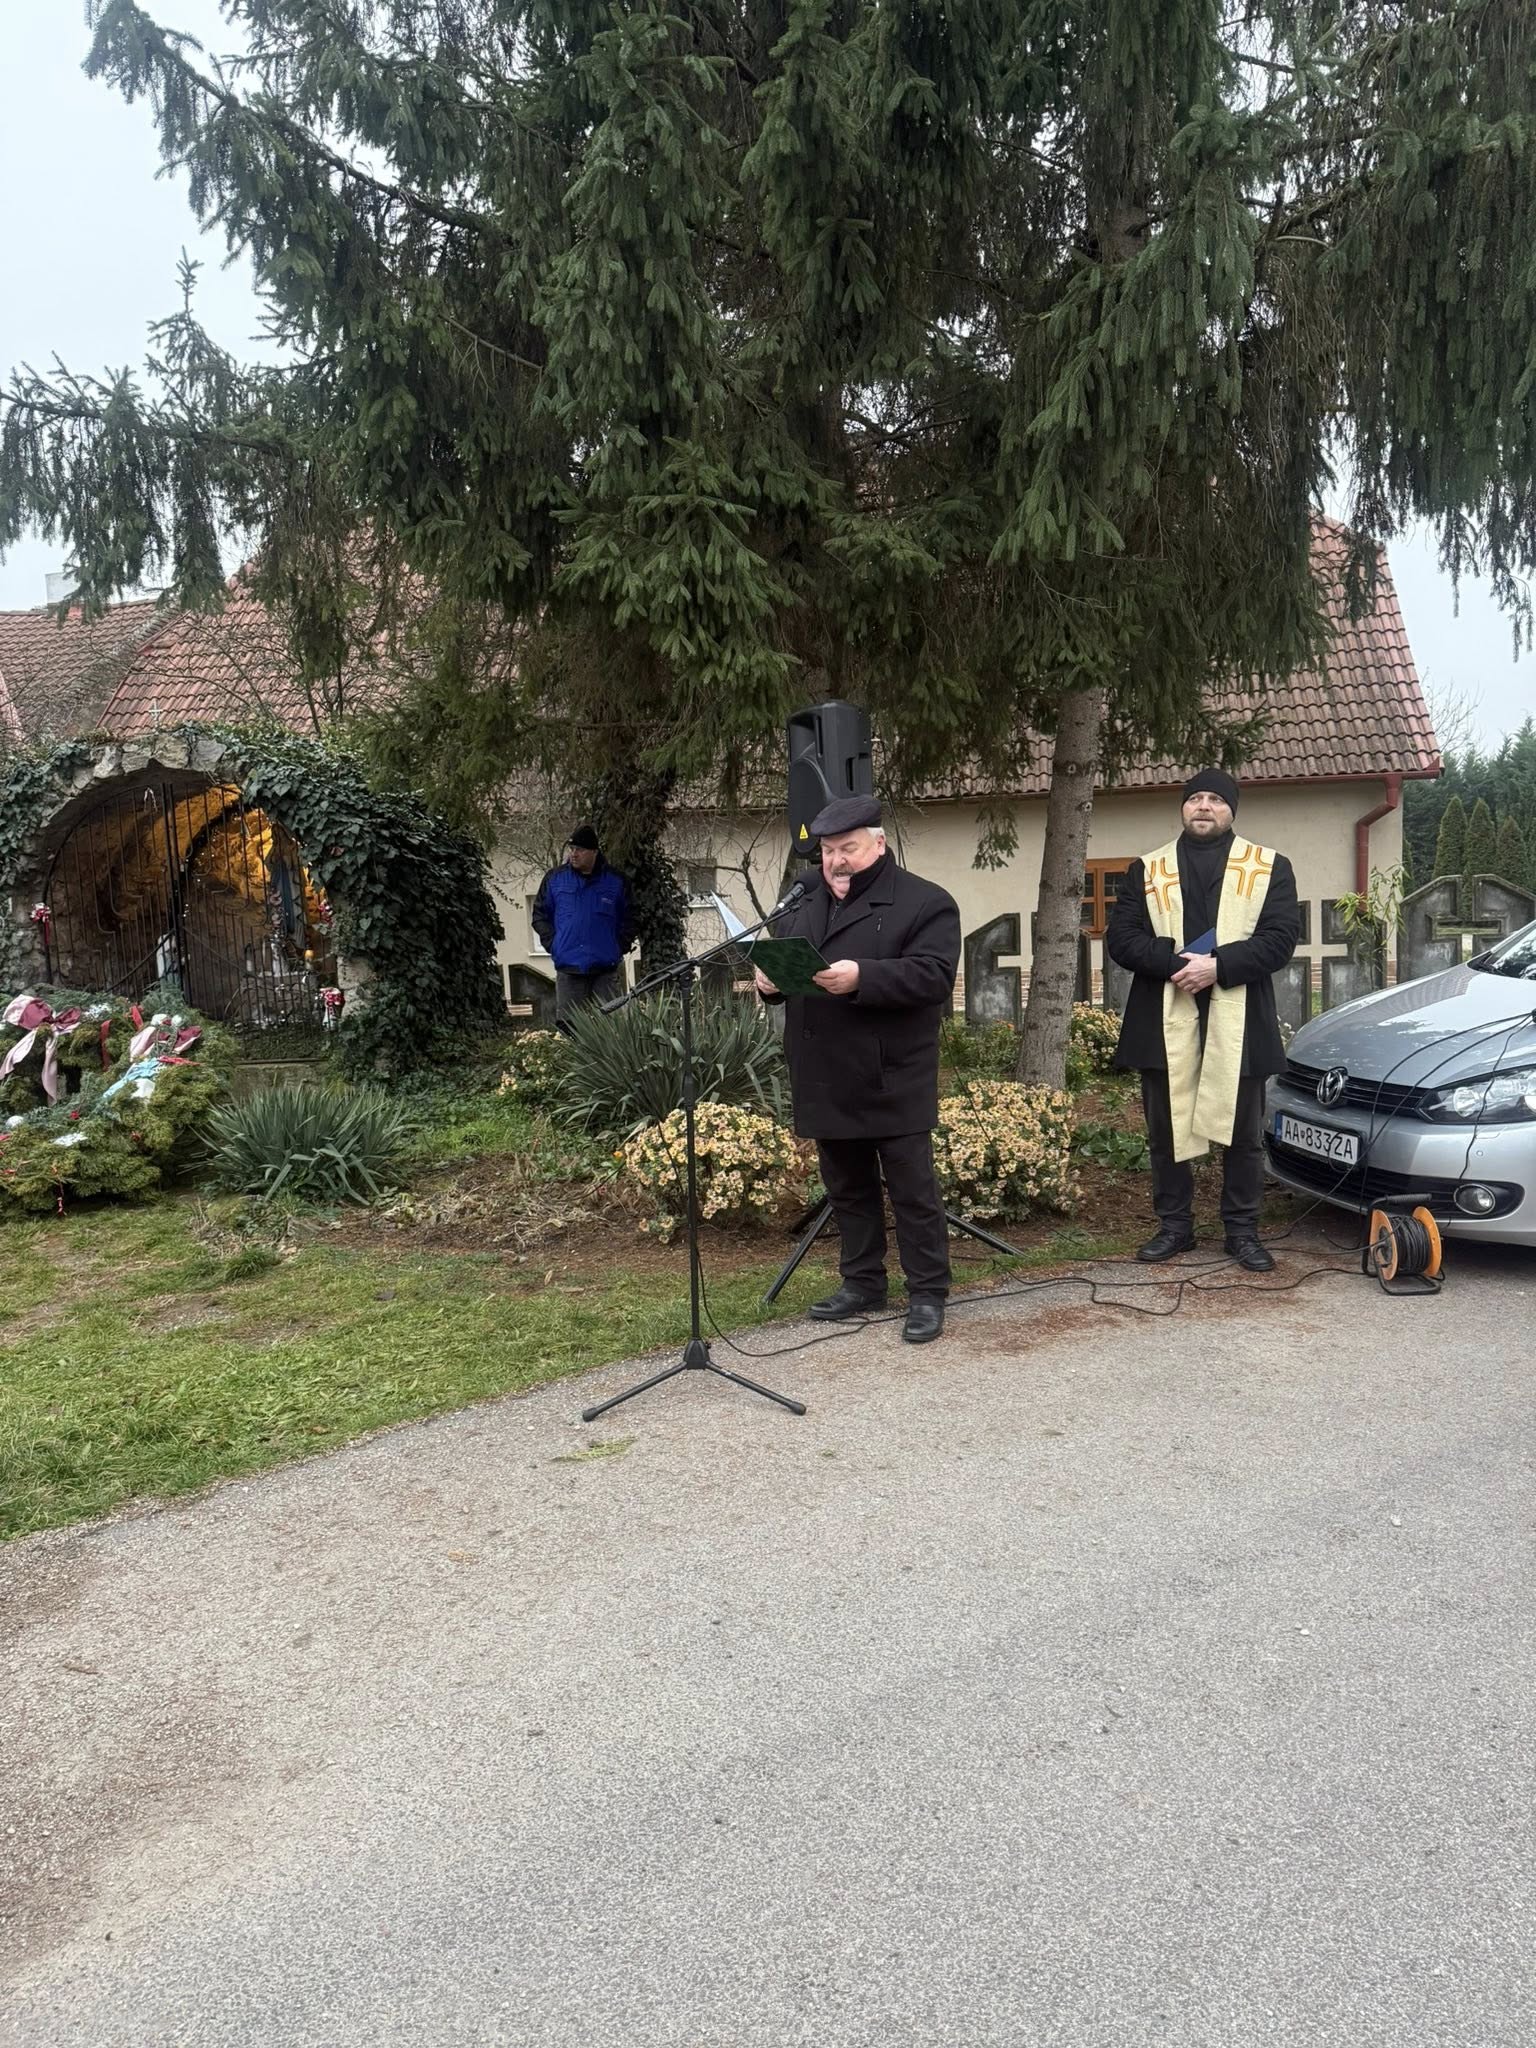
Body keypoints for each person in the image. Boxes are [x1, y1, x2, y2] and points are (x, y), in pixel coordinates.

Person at [754, 796, 961, 1344]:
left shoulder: (925, 901)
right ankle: (863, 1282)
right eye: (827, 851)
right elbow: (789, 962)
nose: (836, 861)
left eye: (848, 848)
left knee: (912, 1192)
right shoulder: (804, 897)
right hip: (825, 1070)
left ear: (878, 844)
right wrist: (768, 983)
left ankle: (927, 1292)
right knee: (847, 1188)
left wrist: (863, 977)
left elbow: (934, 976)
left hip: (892, 1072)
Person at [1105, 768, 1300, 1272]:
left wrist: (1218, 967)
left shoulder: (1269, 867)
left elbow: (1280, 939)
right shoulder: (1147, 869)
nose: (1204, 806)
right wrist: (1177, 965)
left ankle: (1242, 1231)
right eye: (1195, 798)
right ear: (1183, 807)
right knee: (1166, 1130)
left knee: (1243, 1134)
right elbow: (1121, 939)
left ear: (1232, 809)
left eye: (1216, 799)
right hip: (1164, 1010)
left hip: (1240, 1013)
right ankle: (1175, 1227)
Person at [531, 825, 636, 1030]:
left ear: (594, 852)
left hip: (605, 971)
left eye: (580, 849)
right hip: (569, 969)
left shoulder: (616, 881)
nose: (574, 854)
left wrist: (618, 946)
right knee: (570, 1031)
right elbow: (539, 915)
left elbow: (631, 917)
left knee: (612, 1031)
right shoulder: (555, 879)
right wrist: (555, 945)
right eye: (572, 849)